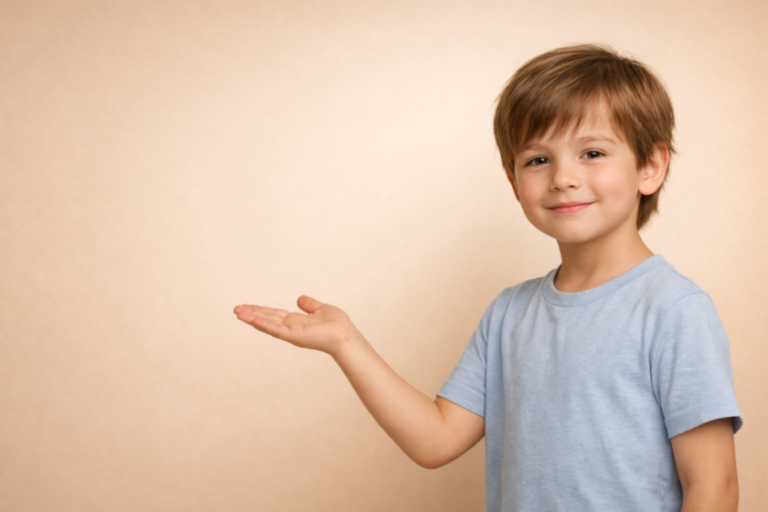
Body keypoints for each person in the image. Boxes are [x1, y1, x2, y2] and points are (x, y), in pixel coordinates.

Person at [234, 44, 742, 512]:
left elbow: (712, 485)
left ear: (650, 166)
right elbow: (435, 440)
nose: (563, 176)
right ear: (514, 181)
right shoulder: (509, 313)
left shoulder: (674, 309)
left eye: (592, 152)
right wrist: (347, 343)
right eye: (538, 159)